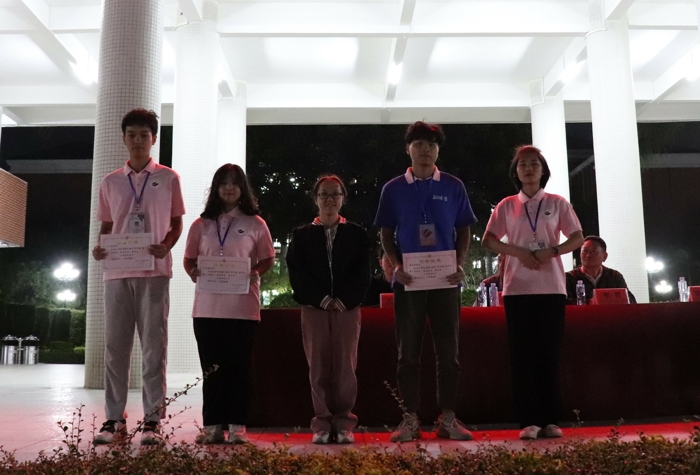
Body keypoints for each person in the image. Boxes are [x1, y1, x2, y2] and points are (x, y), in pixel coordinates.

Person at [374, 121, 477, 442]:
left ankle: (448, 418)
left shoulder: (453, 186)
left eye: (431, 144)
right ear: (408, 149)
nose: (425, 149)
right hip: (409, 281)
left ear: (438, 150)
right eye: (418, 144)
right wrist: (396, 265)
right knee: (407, 354)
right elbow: (386, 233)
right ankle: (410, 419)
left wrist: (459, 263)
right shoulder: (393, 189)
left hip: (446, 280)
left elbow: (464, 229)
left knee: (449, 355)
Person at [92, 109, 185, 445]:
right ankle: (114, 420)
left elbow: (177, 223)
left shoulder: (169, 178)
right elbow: (107, 225)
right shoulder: (110, 181)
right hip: (117, 272)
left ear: (154, 139)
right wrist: (100, 247)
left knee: (153, 347)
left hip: (154, 271)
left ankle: (152, 421)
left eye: (144, 135)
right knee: (115, 348)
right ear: (124, 139)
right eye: (131, 135)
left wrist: (166, 246)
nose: (137, 141)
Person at [482, 145, 583, 440]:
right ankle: (528, 421)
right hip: (517, 290)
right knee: (522, 356)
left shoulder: (557, 203)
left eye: (534, 164)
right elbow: (489, 240)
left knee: (549, 353)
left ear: (543, 170)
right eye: (523, 164)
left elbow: (577, 237)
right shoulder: (506, 205)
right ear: (515, 171)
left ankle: (551, 419)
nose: (528, 169)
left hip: (552, 288)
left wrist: (554, 251)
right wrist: (518, 252)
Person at [183, 164, 275, 444]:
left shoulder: (255, 223)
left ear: (242, 188)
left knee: (239, 369)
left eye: (235, 183)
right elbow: (188, 259)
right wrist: (192, 272)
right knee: (211, 369)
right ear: (216, 188)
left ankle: (237, 425)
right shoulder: (201, 224)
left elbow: (268, 258)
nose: (229, 188)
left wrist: (256, 272)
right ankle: (212, 425)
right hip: (206, 310)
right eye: (224, 183)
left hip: (243, 309)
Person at [286, 175, 371, 444]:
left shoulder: (356, 234)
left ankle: (344, 422)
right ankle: (321, 423)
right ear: (316, 199)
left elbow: (362, 273)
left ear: (343, 198)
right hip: (314, 309)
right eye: (324, 194)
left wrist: (343, 299)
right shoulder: (301, 236)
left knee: (346, 366)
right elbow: (297, 274)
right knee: (318, 366)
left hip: (348, 309)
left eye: (335, 194)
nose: (330, 199)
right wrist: (322, 299)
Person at [565, 235, 636, 304]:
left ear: (604, 256)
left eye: (593, 251)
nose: (588, 255)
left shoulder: (614, 276)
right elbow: (563, 302)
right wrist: (590, 302)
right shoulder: (569, 277)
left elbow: (630, 301)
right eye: (585, 251)